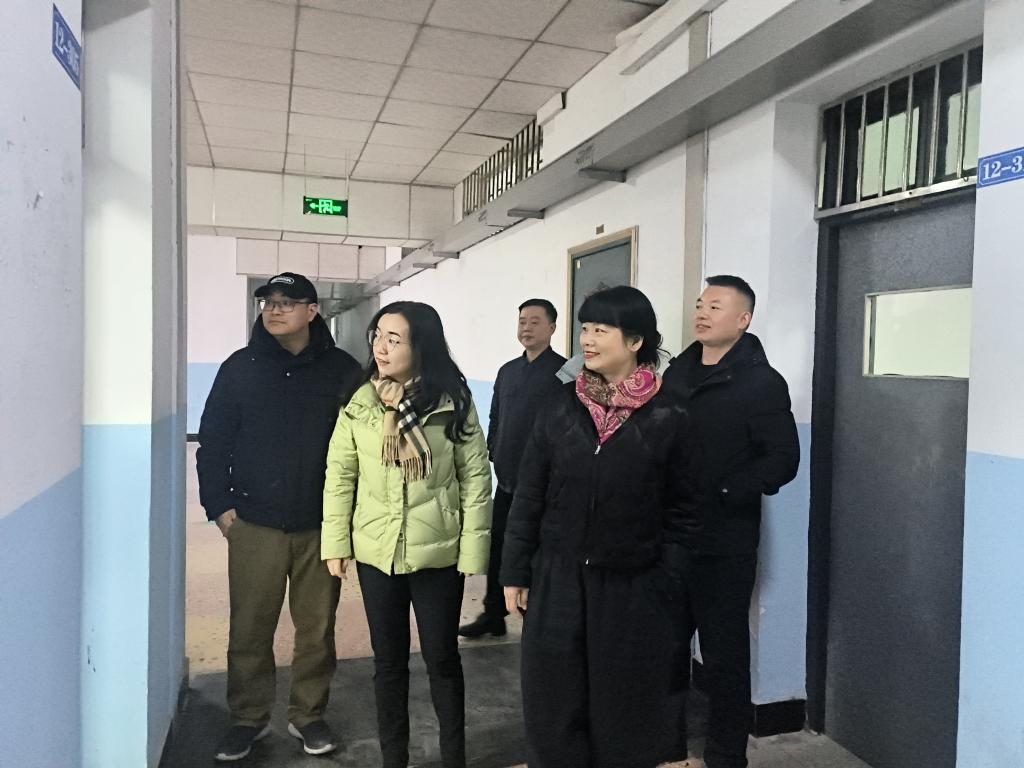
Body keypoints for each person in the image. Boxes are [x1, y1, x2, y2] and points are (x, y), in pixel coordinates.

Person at [501, 285, 704, 768]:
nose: (587, 339)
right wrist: (515, 570)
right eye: (585, 328)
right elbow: (529, 494)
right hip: (559, 576)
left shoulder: (671, 414)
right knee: (555, 698)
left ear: (634, 341)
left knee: (624, 702)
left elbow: (687, 511)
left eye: (601, 329)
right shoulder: (559, 406)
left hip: (634, 582)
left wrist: (667, 578)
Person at [196, 272, 362, 762]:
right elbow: (213, 441)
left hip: (321, 525)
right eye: (268, 301)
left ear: (313, 311)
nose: (274, 309)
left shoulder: (342, 370)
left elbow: (362, 445)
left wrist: (350, 518)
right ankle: (247, 718)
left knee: (316, 629)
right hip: (254, 523)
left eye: (287, 302)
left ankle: (308, 714)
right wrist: (219, 507)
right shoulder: (239, 368)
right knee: (250, 628)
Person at [321, 301, 492, 768]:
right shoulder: (360, 401)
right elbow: (341, 475)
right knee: (388, 664)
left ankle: (453, 758)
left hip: (438, 553)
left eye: (394, 339)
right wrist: (336, 542)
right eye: (378, 335)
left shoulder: (452, 401)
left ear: (421, 346)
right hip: (377, 551)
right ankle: (393, 759)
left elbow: (476, 478)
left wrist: (473, 551)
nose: (381, 346)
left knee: (442, 660)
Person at [661, 275, 800, 768]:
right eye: (700, 304)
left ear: (743, 320)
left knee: (724, 658)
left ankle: (725, 756)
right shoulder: (677, 373)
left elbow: (782, 459)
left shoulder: (761, 382)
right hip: (669, 537)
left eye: (715, 306)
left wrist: (725, 490)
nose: (702, 313)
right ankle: (666, 750)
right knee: (665, 650)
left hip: (724, 543)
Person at [459, 299, 566, 639]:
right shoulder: (507, 371)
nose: (526, 327)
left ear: (552, 328)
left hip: (543, 486)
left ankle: (537, 619)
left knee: (536, 552)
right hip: (507, 480)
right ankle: (493, 614)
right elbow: (496, 415)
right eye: (522, 321)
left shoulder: (564, 373)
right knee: (499, 548)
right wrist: (494, 446)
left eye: (535, 321)